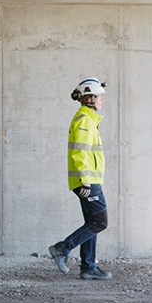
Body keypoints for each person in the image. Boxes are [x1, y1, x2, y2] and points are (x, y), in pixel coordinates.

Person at [48, 77, 113, 281]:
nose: (102, 100)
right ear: (89, 98)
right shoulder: (85, 121)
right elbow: (80, 153)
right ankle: (62, 249)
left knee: (91, 222)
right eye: (99, 97)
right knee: (100, 222)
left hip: (90, 181)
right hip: (87, 182)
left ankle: (88, 267)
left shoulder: (88, 119)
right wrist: (85, 180)